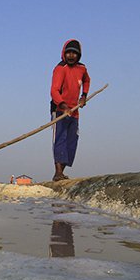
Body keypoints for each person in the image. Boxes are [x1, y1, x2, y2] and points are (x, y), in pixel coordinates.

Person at [50, 39, 90, 181]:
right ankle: (58, 172)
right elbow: (54, 91)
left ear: (79, 55)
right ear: (64, 54)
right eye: (69, 53)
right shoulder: (60, 68)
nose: (71, 56)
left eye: (74, 53)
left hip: (74, 111)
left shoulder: (82, 69)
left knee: (72, 141)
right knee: (60, 139)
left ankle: (62, 171)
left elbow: (86, 80)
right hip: (60, 110)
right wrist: (63, 106)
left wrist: (84, 96)